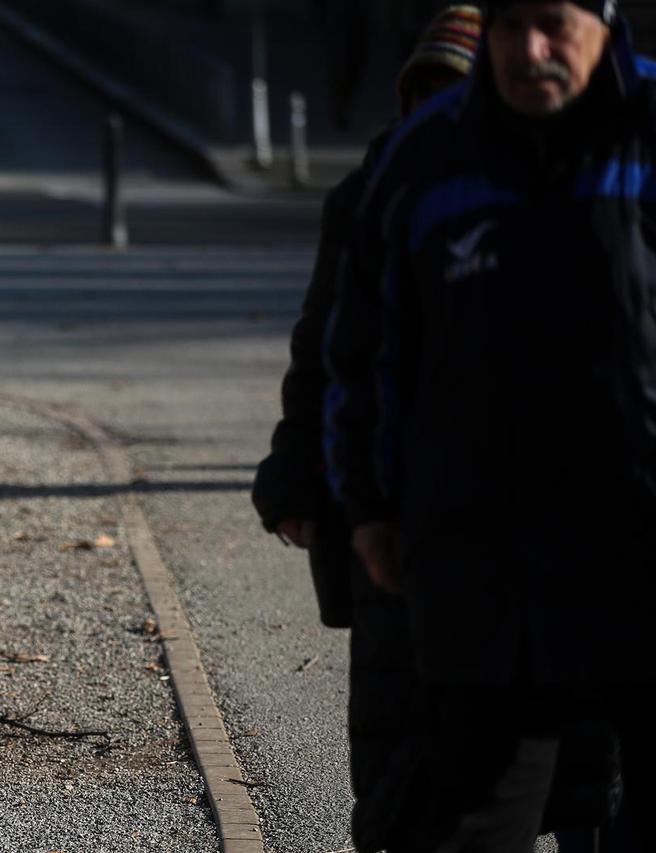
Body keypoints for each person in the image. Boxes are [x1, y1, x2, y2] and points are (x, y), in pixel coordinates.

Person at [324, 1, 656, 848]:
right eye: (509, 25)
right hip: (483, 576)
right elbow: (362, 346)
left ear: (606, 19)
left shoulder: (644, 129)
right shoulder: (429, 154)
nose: (527, 50)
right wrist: (368, 503)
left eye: (551, 23)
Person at [253, 8, 483, 850]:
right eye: (424, 90)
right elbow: (324, 347)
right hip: (384, 496)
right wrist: (294, 475)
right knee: (391, 718)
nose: (435, 111)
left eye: (452, 93)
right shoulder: (369, 191)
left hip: (498, 506)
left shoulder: (534, 193)